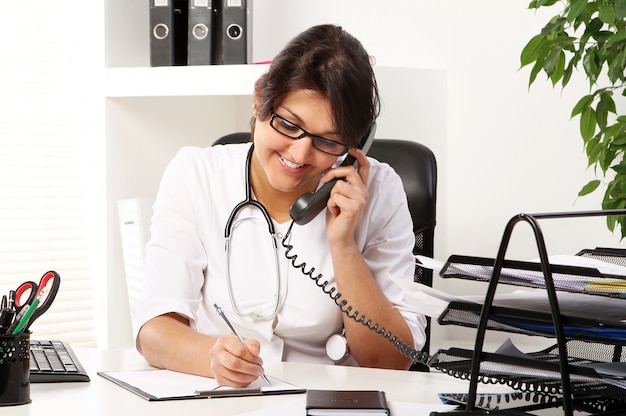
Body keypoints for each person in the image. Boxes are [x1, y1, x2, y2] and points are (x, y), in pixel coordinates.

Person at [132, 24, 427, 388]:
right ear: (260, 101)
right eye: (288, 124)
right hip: (224, 401)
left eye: (328, 142)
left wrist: (344, 245)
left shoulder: (380, 191)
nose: (299, 153)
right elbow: (154, 331)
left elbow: (390, 363)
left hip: (328, 403)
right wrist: (213, 360)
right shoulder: (196, 174)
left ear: (356, 147)